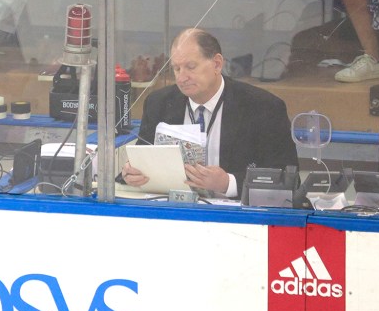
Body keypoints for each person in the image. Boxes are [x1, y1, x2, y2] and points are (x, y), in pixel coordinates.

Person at [124, 28, 298, 198]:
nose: (181, 78)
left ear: (217, 64)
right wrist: (130, 174)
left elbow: (287, 178)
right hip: (173, 210)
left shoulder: (263, 107)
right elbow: (142, 159)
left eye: (190, 67)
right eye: (176, 69)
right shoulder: (158, 103)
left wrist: (228, 183)